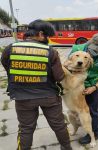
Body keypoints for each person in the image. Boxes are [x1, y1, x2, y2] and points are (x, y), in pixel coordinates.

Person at [1, 20, 72, 150]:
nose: (48, 39)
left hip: (23, 98)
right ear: (40, 34)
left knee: (26, 129)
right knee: (59, 125)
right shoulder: (51, 51)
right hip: (49, 97)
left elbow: (7, 66)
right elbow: (59, 77)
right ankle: (67, 148)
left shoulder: (10, 48)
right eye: (47, 36)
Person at [69, 33, 98, 145]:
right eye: (95, 50)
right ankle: (77, 125)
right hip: (75, 84)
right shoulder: (77, 49)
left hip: (92, 85)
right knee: (73, 110)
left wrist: (94, 88)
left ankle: (94, 132)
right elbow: (67, 64)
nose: (97, 53)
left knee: (92, 110)